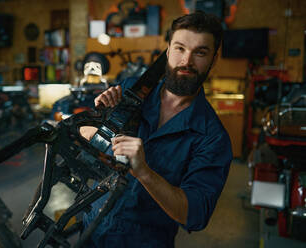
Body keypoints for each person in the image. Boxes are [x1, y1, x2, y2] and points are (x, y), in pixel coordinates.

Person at [81, 11, 233, 248]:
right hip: (91, 229)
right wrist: (98, 117)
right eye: (180, 48)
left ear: (213, 59)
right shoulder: (132, 90)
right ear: (168, 50)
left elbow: (194, 215)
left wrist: (144, 172)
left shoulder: (212, 138)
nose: (187, 61)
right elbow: (86, 140)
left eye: (200, 52)